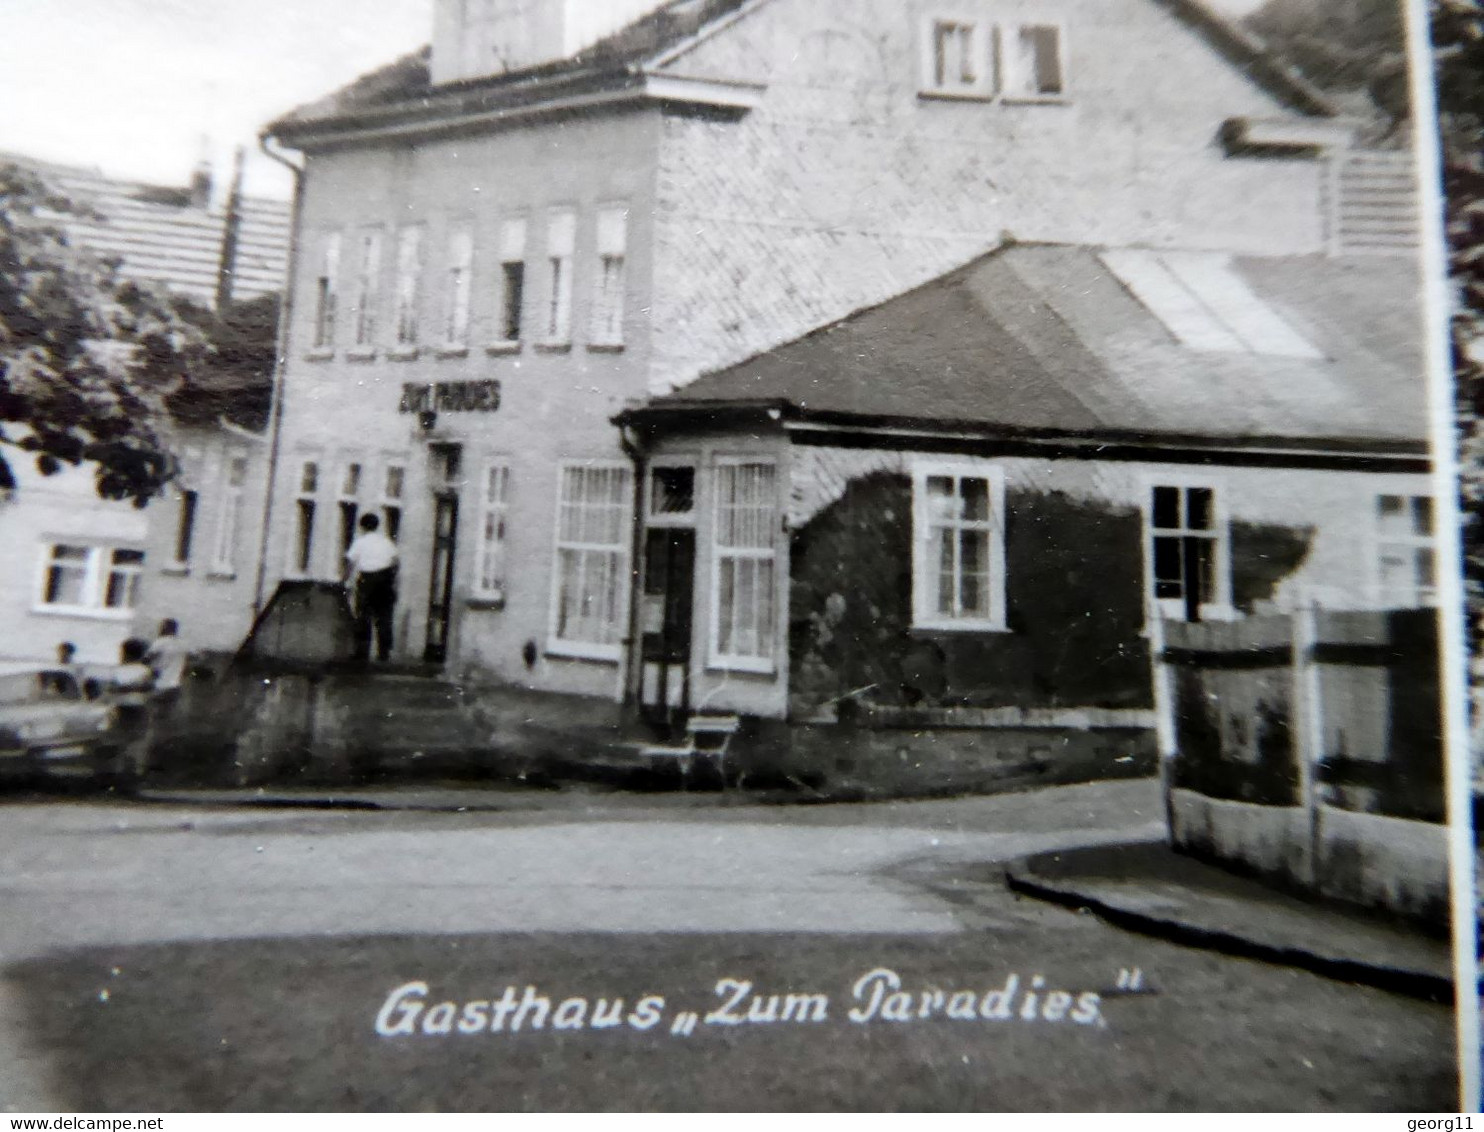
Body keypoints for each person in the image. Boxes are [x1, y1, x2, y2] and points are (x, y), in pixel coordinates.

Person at [345, 513, 399, 663]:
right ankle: (384, 653)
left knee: (364, 616)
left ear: (362, 526)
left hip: (367, 580)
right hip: (385, 579)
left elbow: (350, 563)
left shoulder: (360, 542)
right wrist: (391, 578)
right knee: (384, 617)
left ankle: (362, 652)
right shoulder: (386, 542)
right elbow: (395, 560)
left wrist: (345, 580)